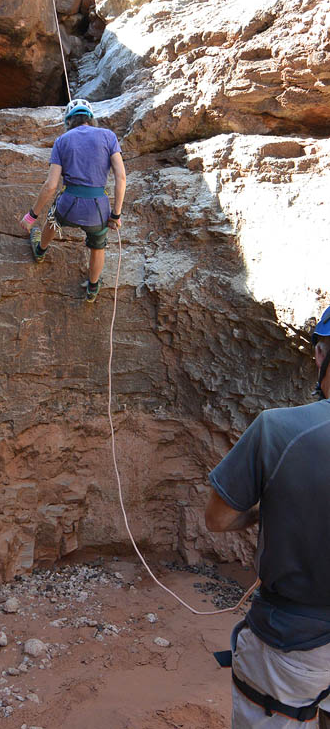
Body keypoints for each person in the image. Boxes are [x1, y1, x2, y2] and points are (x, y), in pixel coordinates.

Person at [205, 305, 330, 727]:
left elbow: (218, 519)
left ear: (320, 354)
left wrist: (262, 511)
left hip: (292, 642)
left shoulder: (278, 430)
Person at [20, 98, 126, 302]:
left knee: (54, 217)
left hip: (69, 206)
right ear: (91, 119)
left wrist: (32, 216)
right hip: (97, 209)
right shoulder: (108, 136)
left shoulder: (62, 140)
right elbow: (121, 177)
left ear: (69, 121)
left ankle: (40, 250)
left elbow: (51, 185)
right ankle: (92, 289)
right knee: (98, 245)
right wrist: (116, 215)